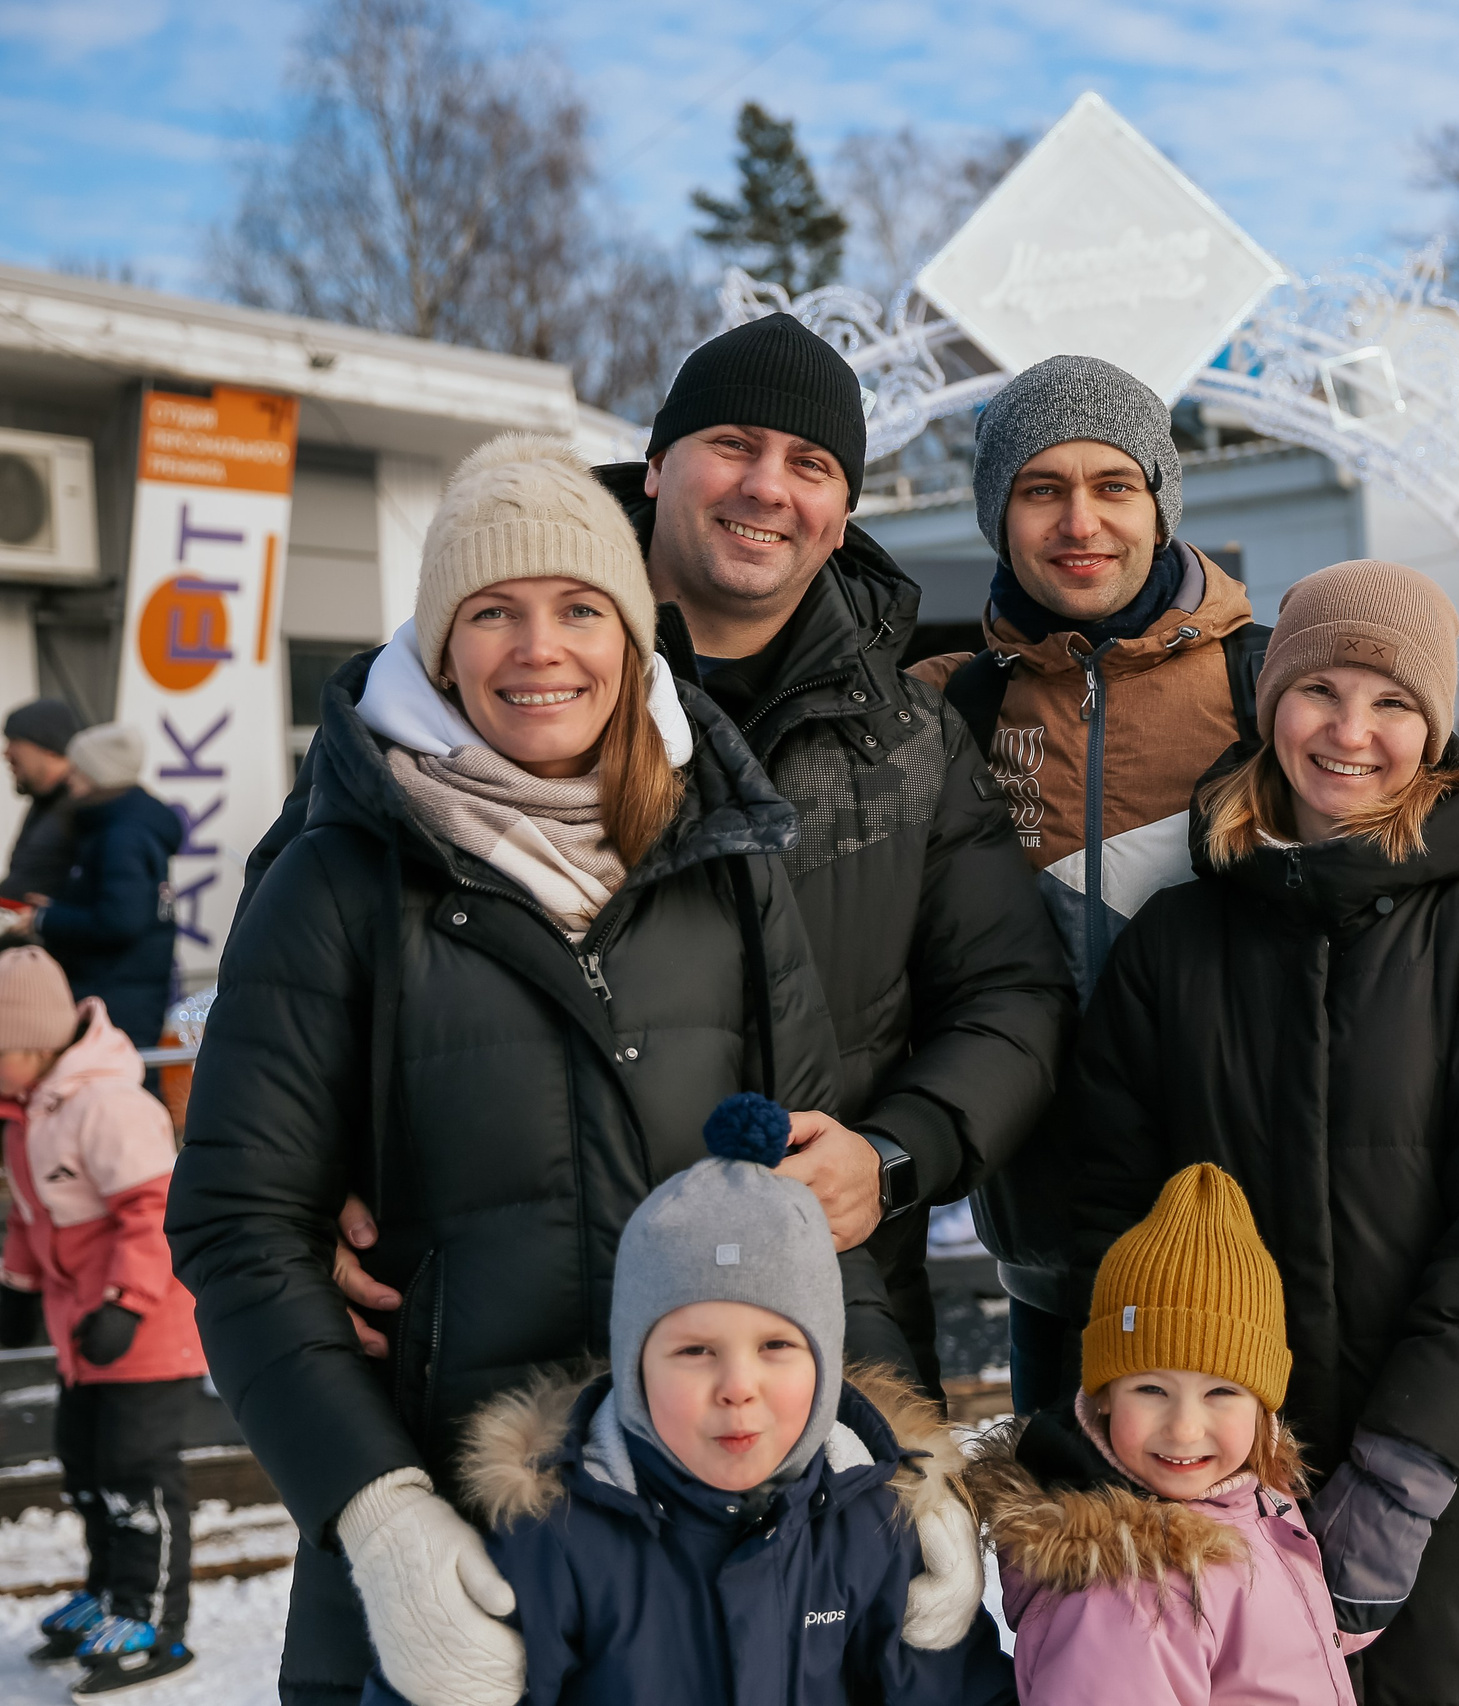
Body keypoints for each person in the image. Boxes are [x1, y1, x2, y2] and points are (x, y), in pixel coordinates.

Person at [166, 435, 866, 1706]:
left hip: (711, 1555)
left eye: (579, 609)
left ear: (634, 638)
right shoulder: (336, 881)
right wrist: (378, 1517)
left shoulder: (724, 860)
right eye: (495, 611)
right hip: (455, 1557)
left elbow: (806, 1204)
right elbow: (237, 1223)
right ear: (442, 647)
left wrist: (887, 1461)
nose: (541, 649)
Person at [294, 314, 1076, 1402]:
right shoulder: (474, 682)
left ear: (842, 509)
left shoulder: (908, 740)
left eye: (810, 464)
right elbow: (291, 970)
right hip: (510, 1341)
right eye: (733, 444)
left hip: (813, 1327)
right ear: (657, 462)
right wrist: (308, 1179)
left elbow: (1012, 995)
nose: (767, 486)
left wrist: (892, 1153)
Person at [911, 356, 1459, 1416]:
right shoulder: (953, 710)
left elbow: (1455, 874)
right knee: (1097, 1572)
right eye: (1039, 488)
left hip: (1270, 1227)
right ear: (995, 511)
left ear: (1160, 501)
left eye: (1114, 485)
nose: (1081, 521)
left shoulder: (1276, 680)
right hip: (1060, 1237)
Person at [1069, 560, 1459, 1706]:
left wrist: (1405, 1475)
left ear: (1435, 727)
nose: (1352, 731)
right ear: (1271, 707)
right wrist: (1158, 1425)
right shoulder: (1174, 943)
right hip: (1218, 1465)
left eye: (1394, 701)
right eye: (1322, 690)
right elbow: (1107, 1206)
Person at [361, 1095, 1009, 1706]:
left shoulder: (870, 1525)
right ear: (634, 1363)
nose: (737, 1385)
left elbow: (955, 1690)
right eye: (696, 1351)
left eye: (777, 1346)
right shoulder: (556, 1539)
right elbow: (461, 1676)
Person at [972, 1164, 1367, 1705]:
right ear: (1104, 1393)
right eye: (1152, 1390)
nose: (1184, 1427)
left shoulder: (1252, 1500)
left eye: (1222, 1393)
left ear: (1263, 1406)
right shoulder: (1127, 1597)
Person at [0, 948, 205, 1697]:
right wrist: (16, 1288)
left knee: (136, 1477)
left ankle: (153, 1620)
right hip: (81, 1334)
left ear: (24, 1046)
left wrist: (123, 1307)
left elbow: (153, 1216)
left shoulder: (109, 1106)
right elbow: (29, 1216)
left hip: (141, 1330)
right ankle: (108, 1593)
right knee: (85, 1469)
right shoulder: (27, 1117)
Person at [26, 727, 180, 1052]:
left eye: (78, 770)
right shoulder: (123, 827)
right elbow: (118, 901)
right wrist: (56, 907)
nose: (70, 778)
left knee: (121, 1084)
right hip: (124, 991)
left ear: (100, 776)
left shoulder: (121, 836)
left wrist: (44, 920)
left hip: (114, 997)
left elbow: (121, 919)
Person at [3, 698, 84, 903]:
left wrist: (53, 918)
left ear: (48, 747)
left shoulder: (84, 807)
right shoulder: (43, 802)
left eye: (15, 741)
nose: (6, 753)